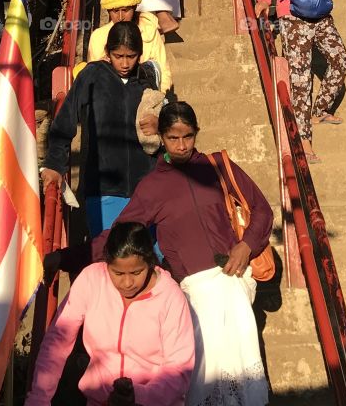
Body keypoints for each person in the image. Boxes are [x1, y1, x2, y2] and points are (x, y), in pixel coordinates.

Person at [94, 102, 273, 406]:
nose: (181, 145)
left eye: (187, 136)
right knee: (200, 382)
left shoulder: (216, 167)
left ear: (196, 133)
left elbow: (262, 209)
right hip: (192, 297)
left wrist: (246, 245)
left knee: (242, 377)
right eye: (173, 138)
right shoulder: (152, 187)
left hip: (233, 285)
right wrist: (71, 256)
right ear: (161, 138)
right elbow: (119, 234)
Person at [27, 220, 195, 406]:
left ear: (150, 262)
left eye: (136, 272)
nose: (127, 283)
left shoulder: (171, 297)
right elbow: (57, 340)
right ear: (106, 264)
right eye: (118, 273)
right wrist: (38, 398)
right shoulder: (91, 280)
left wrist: (137, 396)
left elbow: (179, 369)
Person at [42, 21, 161, 233]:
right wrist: (55, 163)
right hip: (103, 187)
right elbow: (66, 119)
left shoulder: (146, 81)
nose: (125, 63)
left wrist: (159, 126)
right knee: (107, 255)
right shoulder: (93, 75)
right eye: (118, 56)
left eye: (131, 56)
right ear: (107, 52)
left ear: (140, 54)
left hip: (146, 187)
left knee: (147, 258)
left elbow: (170, 124)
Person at [255, 0, 346, 163]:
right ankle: (304, 139)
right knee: (300, 77)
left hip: (319, 12)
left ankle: (321, 109)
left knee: (340, 58)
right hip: (291, 14)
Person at [85, 0, 173, 93]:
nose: (120, 17)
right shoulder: (98, 37)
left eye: (125, 10)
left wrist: (155, 98)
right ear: (108, 10)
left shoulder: (149, 31)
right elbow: (93, 77)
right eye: (115, 11)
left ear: (135, 7)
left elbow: (163, 73)